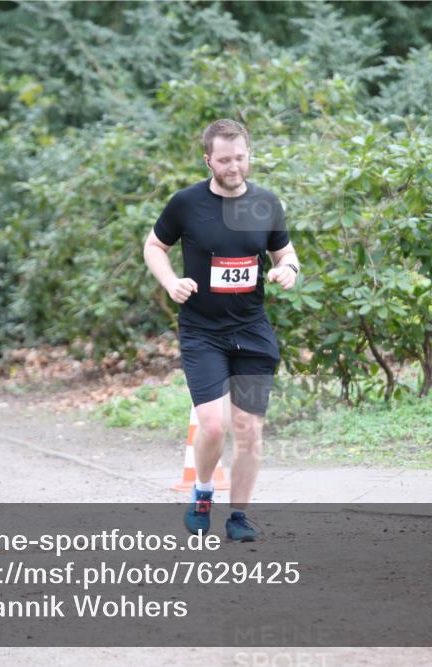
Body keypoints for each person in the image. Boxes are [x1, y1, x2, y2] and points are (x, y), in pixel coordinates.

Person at [143, 119, 299, 542]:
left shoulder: (265, 203)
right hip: (203, 331)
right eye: (225, 159)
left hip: (251, 331)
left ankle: (239, 517)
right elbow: (154, 246)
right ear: (208, 159)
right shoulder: (186, 203)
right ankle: (204, 491)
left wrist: (289, 269)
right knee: (213, 425)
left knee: (248, 429)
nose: (233, 167)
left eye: (240, 158)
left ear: (249, 155)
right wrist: (171, 282)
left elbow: (284, 252)